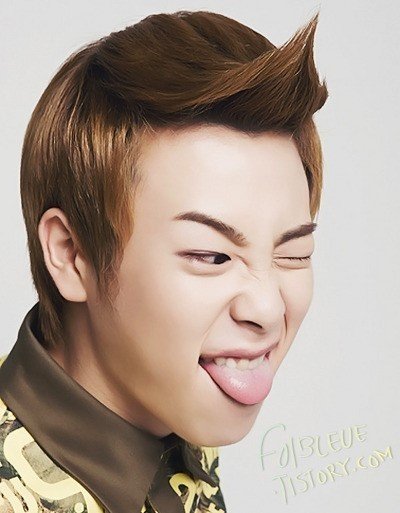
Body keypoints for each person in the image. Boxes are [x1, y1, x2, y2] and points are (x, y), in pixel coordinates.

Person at [0, 8, 328, 513]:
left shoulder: (175, 414)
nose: (267, 309)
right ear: (70, 254)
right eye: (212, 256)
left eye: (292, 253)